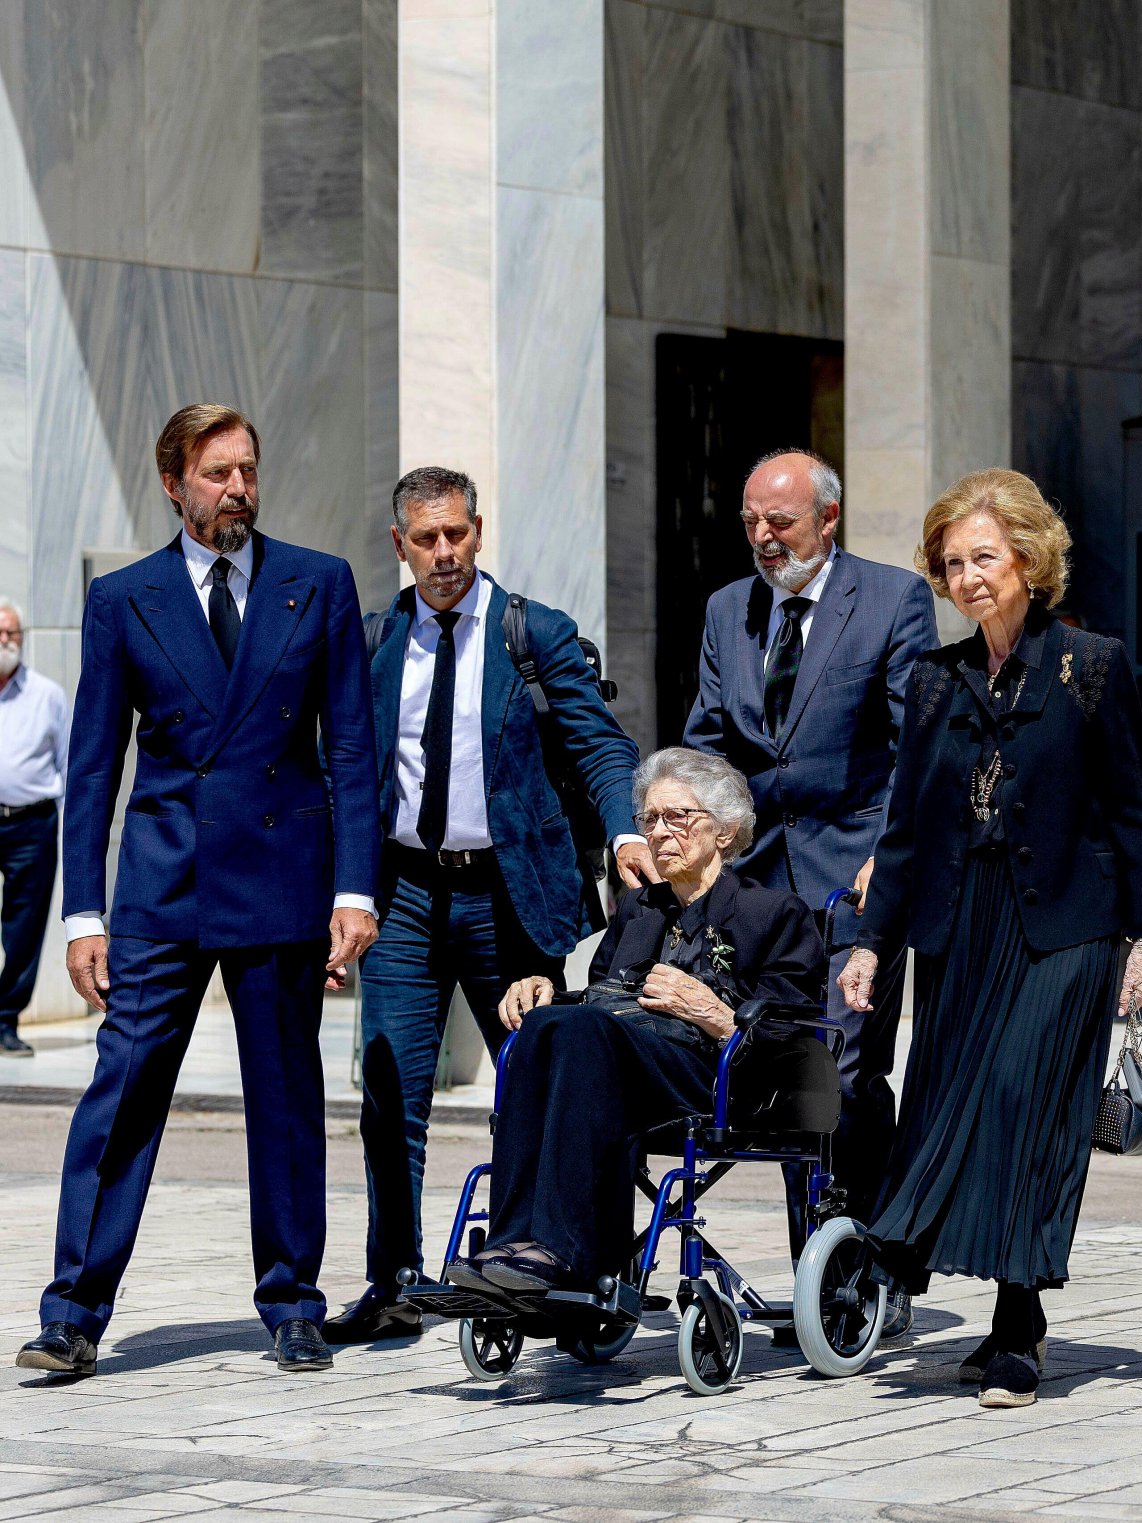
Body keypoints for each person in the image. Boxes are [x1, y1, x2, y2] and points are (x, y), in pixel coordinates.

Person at [16, 403, 379, 1379]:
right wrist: (83, 913)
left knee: (287, 1098)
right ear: (174, 483)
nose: (238, 491)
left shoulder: (319, 583)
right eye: (218, 474)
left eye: (248, 471)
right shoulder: (125, 597)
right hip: (162, 889)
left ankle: (294, 1300)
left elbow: (350, 745)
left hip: (283, 880)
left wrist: (356, 888)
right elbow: (93, 766)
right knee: (123, 1090)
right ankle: (74, 1312)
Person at [839, 468, 1142, 1410]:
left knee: (1028, 1102)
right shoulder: (933, 681)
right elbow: (903, 831)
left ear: (1028, 557)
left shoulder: (1091, 664)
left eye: (986, 555)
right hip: (962, 924)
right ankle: (992, 1310)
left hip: (1069, 923)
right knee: (955, 1107)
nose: (970, 574)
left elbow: (1131, 814)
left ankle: (1020, 1326)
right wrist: (871, 941)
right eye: (953, 562)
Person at [324, 467, 656, 1344]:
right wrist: (338, 895)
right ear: (399, 544)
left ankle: (572, 1274)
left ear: (479, 531)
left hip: (510, 900)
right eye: (425, 539)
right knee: (389, 1086)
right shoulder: (370, 643)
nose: (444, 554)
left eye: (457, 535)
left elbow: (600, 747)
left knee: (549, 1084)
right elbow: (344, 775)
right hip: (404, 895)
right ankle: (395, 1279)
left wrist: (626, 834)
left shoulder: (530, 633)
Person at [683, 447, 937, 1337]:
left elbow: (918, 742)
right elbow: (710, 739)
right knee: (785, 1074)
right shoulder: (727, 610)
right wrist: (675, 826)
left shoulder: (892, 599)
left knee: (851, 1070)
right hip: (756, 891)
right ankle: (817, 1275)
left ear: (828, 519)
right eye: (751, 519)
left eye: (780, 522)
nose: (763, 536)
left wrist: (890, 850)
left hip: (854, 875)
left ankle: (877, 1265)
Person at [445, 747, 825, 1295]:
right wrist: (549, 992)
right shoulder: (638, 909)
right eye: (650, 819)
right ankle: (511, 1243)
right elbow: (602, 997)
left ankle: (556, 1250)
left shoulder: (774, 913)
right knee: (543, 1026)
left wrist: (714, 1011)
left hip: (715, 1080)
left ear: (726, 830)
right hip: (621, 1069)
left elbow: (790, 1036)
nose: (661, 831)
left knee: (578, 1032)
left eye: (679, 816)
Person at [0, 599, 71, 1057]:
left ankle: (5, 1019)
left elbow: (69, 761)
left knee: (25, 927)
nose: (8, 641)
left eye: (14, 633)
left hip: (31, 825)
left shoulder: (47, 694)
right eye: (0, 633)